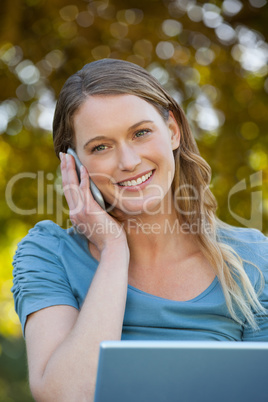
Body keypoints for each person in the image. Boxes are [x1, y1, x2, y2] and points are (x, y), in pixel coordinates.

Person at [12, 58, 268, 402]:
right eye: (100, 147)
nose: (129, 161)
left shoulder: (252, 259)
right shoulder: (48, 254)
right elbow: (68, 396)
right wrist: (114, 250)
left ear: (173, 131)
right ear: (72, 162)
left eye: (141, 133)